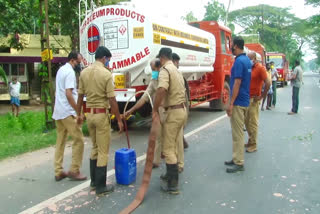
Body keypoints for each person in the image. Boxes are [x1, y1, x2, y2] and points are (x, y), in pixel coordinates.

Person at [77, 46, 124, 196]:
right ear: (104, 58)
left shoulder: (84, 72)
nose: (108, 62)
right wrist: (119, 119)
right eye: (108, 60)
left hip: (89, 115)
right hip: (101, 115)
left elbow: (79, 96)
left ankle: (93, 182)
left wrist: (79, 114)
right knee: (103, 151)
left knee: (95, 148)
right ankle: (101, 187)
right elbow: (112, 100)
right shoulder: (106, 74)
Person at [153, 48, 187, 194]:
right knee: (172, 143)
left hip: (173, 112)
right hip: (181, 110)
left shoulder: (165, 70)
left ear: (161, 58)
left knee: (167, 149)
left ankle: (173, 185)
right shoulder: (176, 70)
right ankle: (169, 174)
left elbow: (161, 90)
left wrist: (155, 109)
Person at [52, 51, 87, 182]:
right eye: (78, 62)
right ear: (72, 60)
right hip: (68, 112)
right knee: (78, 139)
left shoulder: (61, 70)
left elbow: (59, 91)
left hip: (59, 111)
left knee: (60, 141)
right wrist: (78, 111)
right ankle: (74, 170)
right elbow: (68, 93)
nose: (79, 64)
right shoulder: (70, 72)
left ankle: (58, 170)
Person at [124, 59, 163, 168]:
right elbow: (144, 98)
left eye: (154, 69)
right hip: (158, 111)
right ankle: (156, 160)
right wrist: (130, 111)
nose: (152, 72)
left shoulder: (165, 78)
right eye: (151, 69)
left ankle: (175, 163)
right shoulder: (153, 80)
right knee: (157, 135)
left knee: (170, 137)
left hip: (169, 111)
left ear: (159, 68)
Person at [224, 36, 251, 173]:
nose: (230, 47)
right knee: (237, 132)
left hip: (239, 102)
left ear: (236, 46)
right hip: (244, 100)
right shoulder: (246, 60)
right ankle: (236, 158)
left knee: (238, 133)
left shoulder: (240, 62)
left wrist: (231, 103)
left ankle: (239, 162)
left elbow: (237, 83)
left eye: (231, 44)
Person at [245, 52, 270, 153]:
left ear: (255, 58)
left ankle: (254, 144)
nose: (249, 60)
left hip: (254, 99)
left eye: (250, 59)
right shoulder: (248, 67)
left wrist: (262, 96)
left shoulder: (260, 68)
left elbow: (267, 82)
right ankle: (250, 140)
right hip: (246, 98)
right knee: (246, 121)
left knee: (253, 122)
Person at [172, 53, 189, 150]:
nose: (178, 64)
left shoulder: (175, 74)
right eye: (177, 62)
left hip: (178, 108)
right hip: (181, 108)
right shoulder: (176, 74)